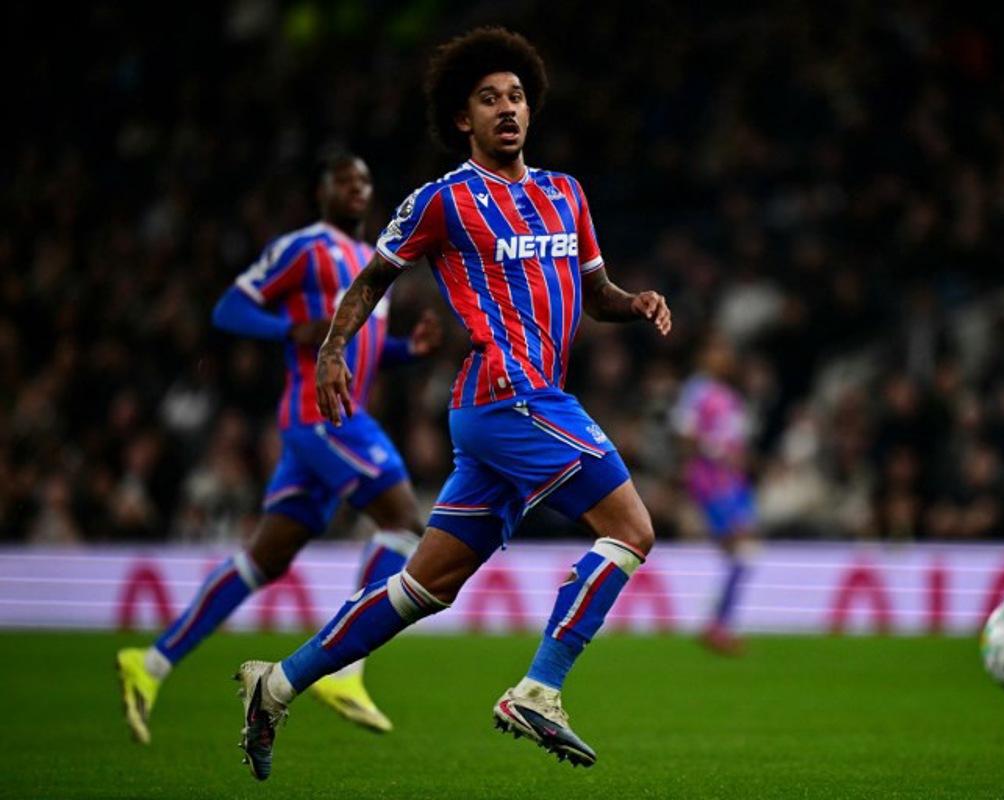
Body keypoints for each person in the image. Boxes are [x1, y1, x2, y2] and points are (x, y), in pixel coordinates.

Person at [232, 27, 672, 780]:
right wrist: (332, 351)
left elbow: (594, 294)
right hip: (509, 398)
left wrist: (635, 303)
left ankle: (275, 684)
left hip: (516, 409)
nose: (508, 109)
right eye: (489, 99)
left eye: (517, 97)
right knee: (632, 529)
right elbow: (372, 280)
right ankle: (539, 688)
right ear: (462, 118)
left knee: (422, 587)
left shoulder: (566, 194)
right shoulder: (442, 201)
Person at [116, 150, 442, 744]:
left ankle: (152, 662)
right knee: (402, 521)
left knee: (264, 558)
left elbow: (361, 346)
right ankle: (344, 668)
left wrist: (405, 352)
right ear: (322, 192)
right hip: (322, 417)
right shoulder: (305, 248)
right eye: (342, 180)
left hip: (329, 422)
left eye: (364, 181)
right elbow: (230, 308)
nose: (356, 189)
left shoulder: (373, 262)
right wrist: (287, 330)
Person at [672, 333, 758, 654]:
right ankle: (718, 626)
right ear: (704, 356)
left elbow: (736, 442)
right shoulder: (697, 391)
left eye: (726, 351)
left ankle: (719, 625)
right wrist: (713, 454)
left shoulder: (729, 395)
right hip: (714, 481)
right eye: (717, 350)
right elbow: (685, 434)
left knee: (742, 553)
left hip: (733, 481)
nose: (723, 358)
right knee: (742, 549)